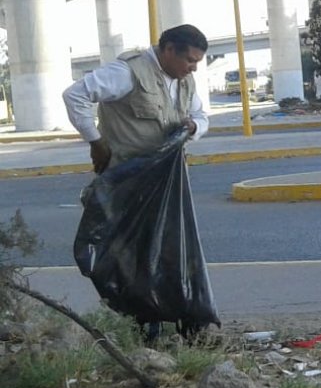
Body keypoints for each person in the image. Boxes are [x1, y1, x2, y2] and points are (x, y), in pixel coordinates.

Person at [62, 24, 211, 340]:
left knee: (167, 251)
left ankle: (172, 314)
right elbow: (75, 95)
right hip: (128, 184)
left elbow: (201, 115)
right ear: (168, 49)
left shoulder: (185, 81)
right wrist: (95, 140)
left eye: (197, 62)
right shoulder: (128, 73)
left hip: (167, 183)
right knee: (132, 256)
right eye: (189, 60)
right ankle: (144, 321)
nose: (193, 67)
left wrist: (193, 126)